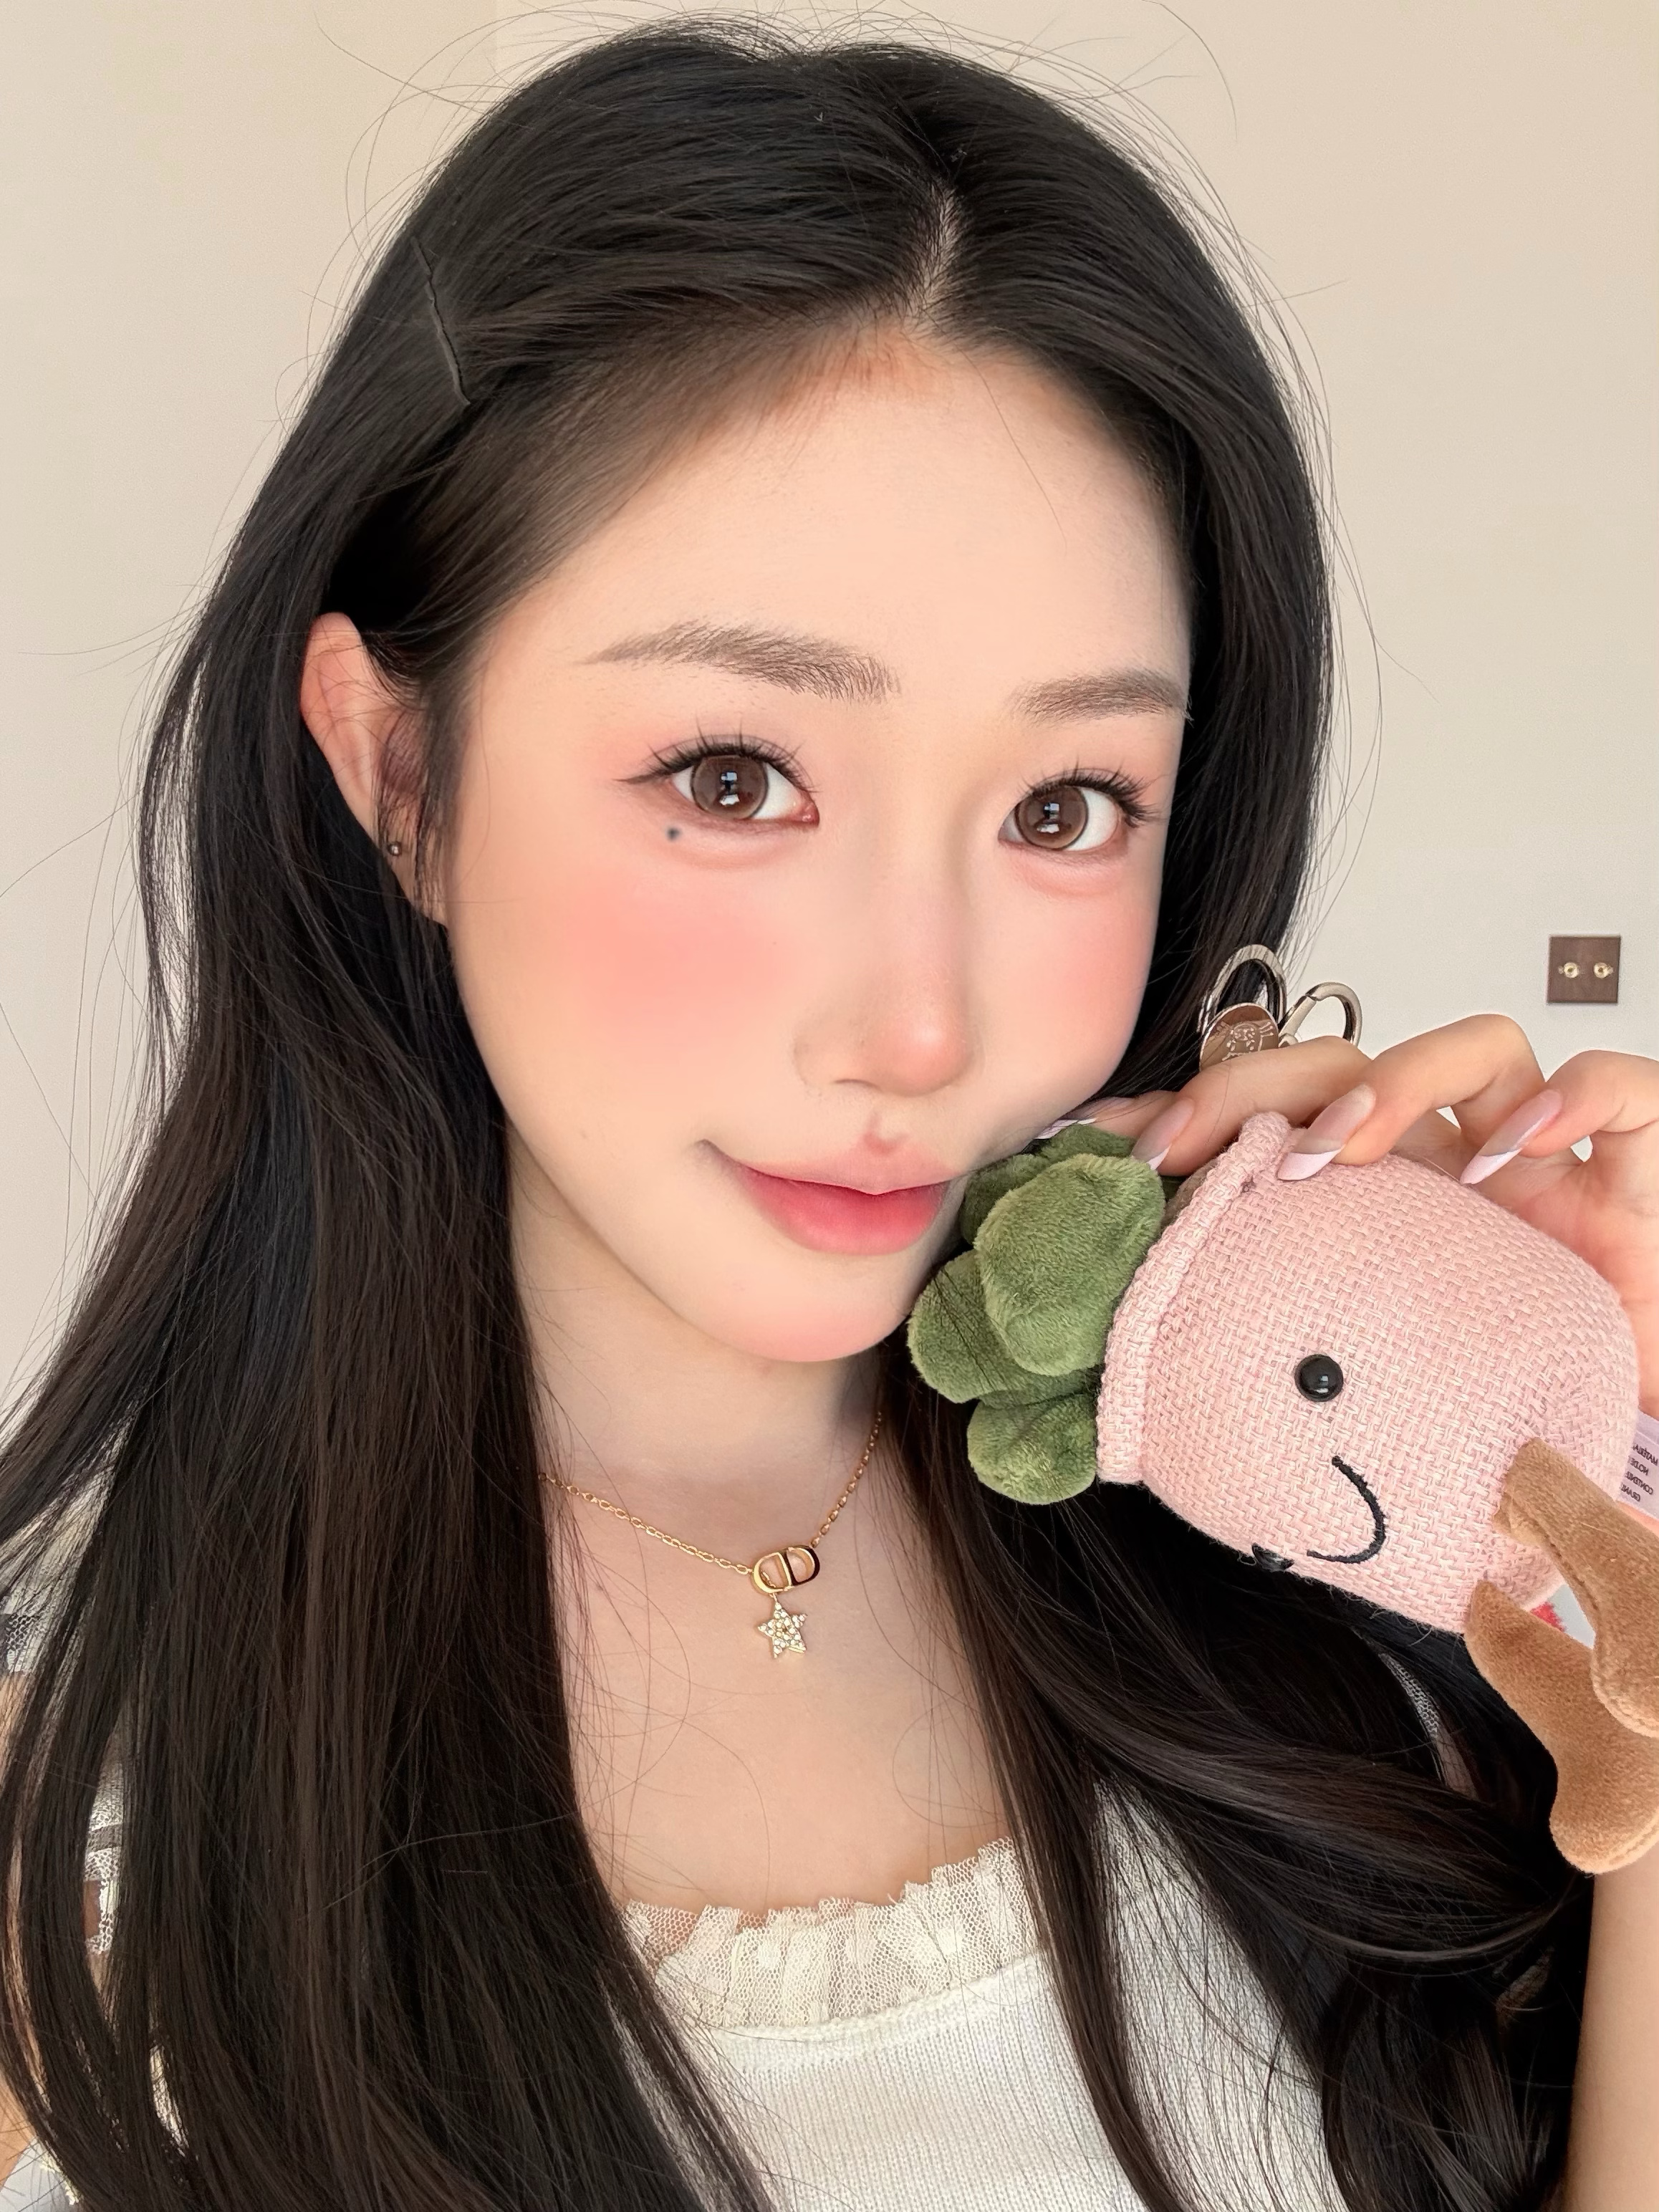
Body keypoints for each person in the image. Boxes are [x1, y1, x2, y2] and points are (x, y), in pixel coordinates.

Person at [0, 19, 1653, 2210]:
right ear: (400, 773)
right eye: (732, 775)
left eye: (1063, 806)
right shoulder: (71, 1818)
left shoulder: (1349, 1579)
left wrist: (1609, 1448)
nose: (921, 1027)